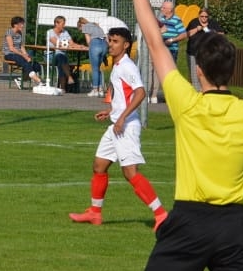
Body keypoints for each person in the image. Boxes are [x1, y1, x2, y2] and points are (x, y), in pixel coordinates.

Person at [127, 0, 243, 271]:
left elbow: (155, 42)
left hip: (189, 220)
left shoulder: (186, 103)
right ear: (231, 71)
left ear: (199, 71)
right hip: (233, 223)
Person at [68, 23, 168, 229]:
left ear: (126, 45)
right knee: (99, 165)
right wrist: (112, 111)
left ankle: (161, 215)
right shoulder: (117, 64)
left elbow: (140, 92)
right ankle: (95, 213)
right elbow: (124, 96)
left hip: (126, 127)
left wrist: (122, 117)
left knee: (130, 173)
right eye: (110, 41)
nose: (111, 45)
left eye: (115, 42)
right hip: (116, 124)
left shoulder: (128, 66)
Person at [2, 16, 42, 87]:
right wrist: (23, 55)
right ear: (15, 25)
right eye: (21, 24)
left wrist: (26, 54)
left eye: (23, 24)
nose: (23, 26)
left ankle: (21, 80)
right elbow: (11, 48)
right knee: (24, 61)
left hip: (19, 54)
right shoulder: (9, 32)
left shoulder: (19, 33)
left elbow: (21, 46)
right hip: (9, 54)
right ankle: (38, 81)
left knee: (35, 64)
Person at [79, 16, 109, 98]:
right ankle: (101, 90)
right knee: (98, 69)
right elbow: (106, 38)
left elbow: (88, 41)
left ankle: (95, 90)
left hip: (95, 44)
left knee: (94, 69)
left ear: (81, 25)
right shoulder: (96, 25)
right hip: (104, 45)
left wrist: (88, 47)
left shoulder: (85, 27)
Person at [49, 15, 78, 92]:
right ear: (56, 23)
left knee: (61, 60)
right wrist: (68, 45)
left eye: (64, 24)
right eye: (63, 24)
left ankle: (63, 88)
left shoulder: (65, 32)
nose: (64, 25)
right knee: (61, 57)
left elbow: (72, 43)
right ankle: (69, 77)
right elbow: (57, 44)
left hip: (62, 57)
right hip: (51, 56)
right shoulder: (50, 32)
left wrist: (81, 46)